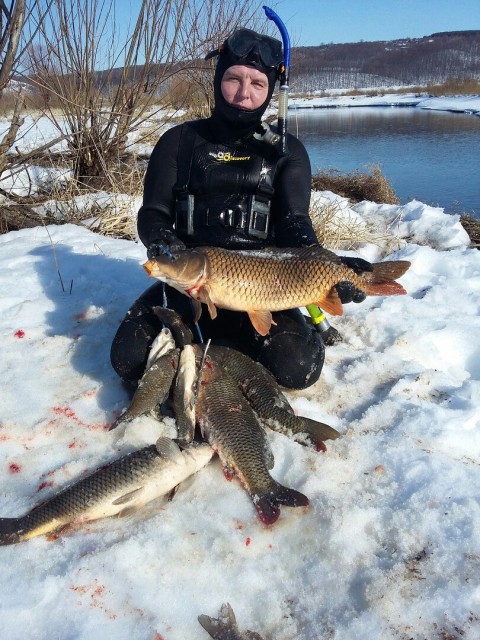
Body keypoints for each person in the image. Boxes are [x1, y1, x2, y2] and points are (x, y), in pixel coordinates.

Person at [110, 27, 367, 394]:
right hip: (192, 282)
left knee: (299, 368)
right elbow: (152, 212)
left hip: (268, 284)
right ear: (217, 80)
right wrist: (162, 242)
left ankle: (222, 347)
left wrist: (327, 265)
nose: (244, 93)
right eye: (234, 78)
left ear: (270, 90)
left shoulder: (287, 152)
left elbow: (294, 222)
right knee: (128, 360)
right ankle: (209, 342)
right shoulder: (178, 142)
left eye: (258, 84)